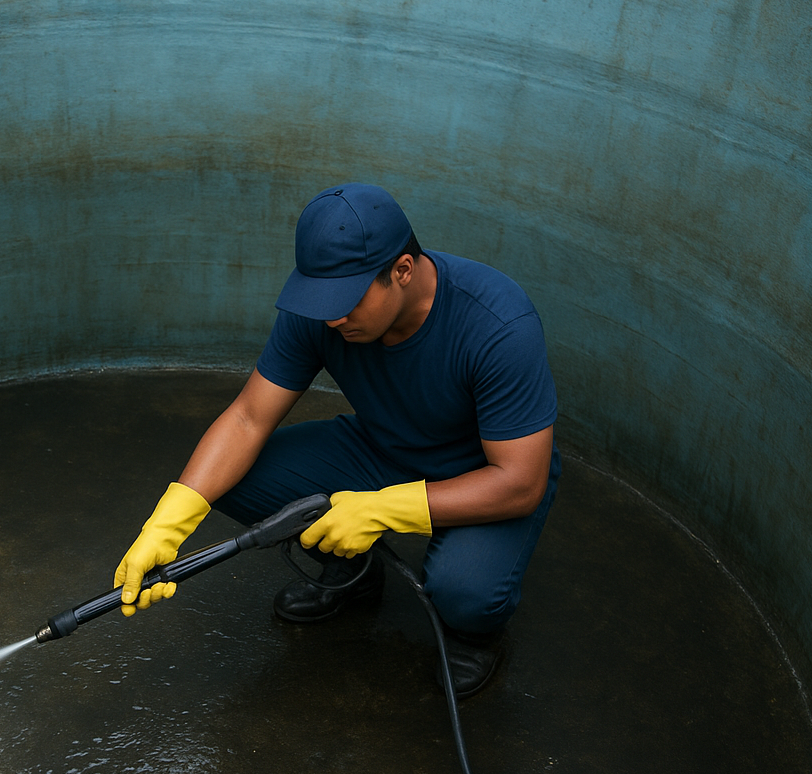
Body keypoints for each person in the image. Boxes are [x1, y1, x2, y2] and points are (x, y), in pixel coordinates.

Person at [113, 184, 559, 699]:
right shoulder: (324, 308)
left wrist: (384, 509)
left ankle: (472, 635)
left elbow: (522, 481)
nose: (332, 318)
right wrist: (169, 521)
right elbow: (247, 419)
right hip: (379, 449)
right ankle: (354, 570)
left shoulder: (499, 323)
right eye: (320, 300)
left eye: (345, 301)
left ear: (403, 271)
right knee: (234, 479)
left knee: (465, 593)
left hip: (485, 474)